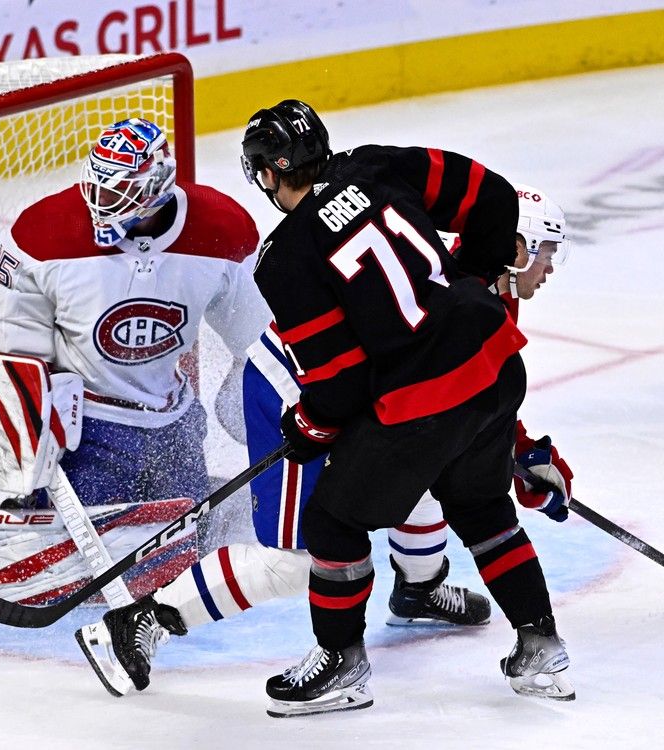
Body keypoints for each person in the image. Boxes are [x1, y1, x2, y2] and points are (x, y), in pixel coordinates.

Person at [73, 185, 571, 698]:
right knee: (297, 557)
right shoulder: (462, 285)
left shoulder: (489, 288)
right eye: (547, 252)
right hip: (292, 390)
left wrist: (520, 450)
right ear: (517, 247)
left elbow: (465, 400)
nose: (551, 268)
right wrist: (509, 453)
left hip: (354, 388)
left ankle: (418, 589)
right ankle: (140, 623)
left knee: (425, 469)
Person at [0, 117, 271, 620]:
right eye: (98, 189)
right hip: (90, 430)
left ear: (157, 190)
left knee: (185, 547)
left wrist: (252, 405)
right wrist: (32, 422)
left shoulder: (222, 229)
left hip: (173, 421)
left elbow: (261, 336)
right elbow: (6, 341)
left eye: (118, 197)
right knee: (90, 556)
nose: (100, 208)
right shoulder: (43, 233)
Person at [235, 100, 575, 717]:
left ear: (271, 172)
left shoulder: (284, 257)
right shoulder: (376, 166)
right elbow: (495, 198)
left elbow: (340, 380)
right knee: (481, 505)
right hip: (496, 362)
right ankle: (540, 647)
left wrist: (309, 427)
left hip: (425, 397)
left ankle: (341, 665)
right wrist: (465, 285)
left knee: (334, 525)